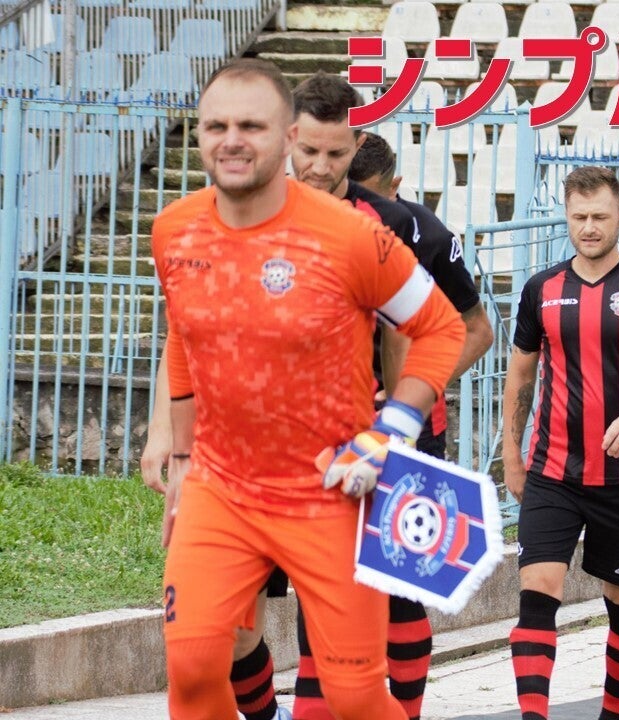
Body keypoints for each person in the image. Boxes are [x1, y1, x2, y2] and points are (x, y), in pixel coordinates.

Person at [153, 58, 465, 720]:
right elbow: (184, 339)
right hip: (220, 489)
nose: (232, 140)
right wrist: (180, 457)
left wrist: (392, 432)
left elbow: (442, 328)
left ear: (285, 136)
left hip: (327, 492)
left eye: (251, 126)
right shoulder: (173, 230)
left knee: (353, 698)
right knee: (192, 667)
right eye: (216, 126)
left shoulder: (354, 235)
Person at [501, 166, 619, 720]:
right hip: (553, 470)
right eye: (579, 216)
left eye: (600, 217)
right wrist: (512, 455)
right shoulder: (541, 289)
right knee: (537, 592)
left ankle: (612, 715)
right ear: (566, 216)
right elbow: (520, 376)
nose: (589, 227)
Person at [349, 131, 496, 454]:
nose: (360, 208)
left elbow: (479, 332)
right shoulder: (324, 229)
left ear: (394, 186)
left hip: (415, 426)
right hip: (335, 415)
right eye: (349, 197)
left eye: (369, 197)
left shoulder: (431, 237)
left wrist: (415, 392)